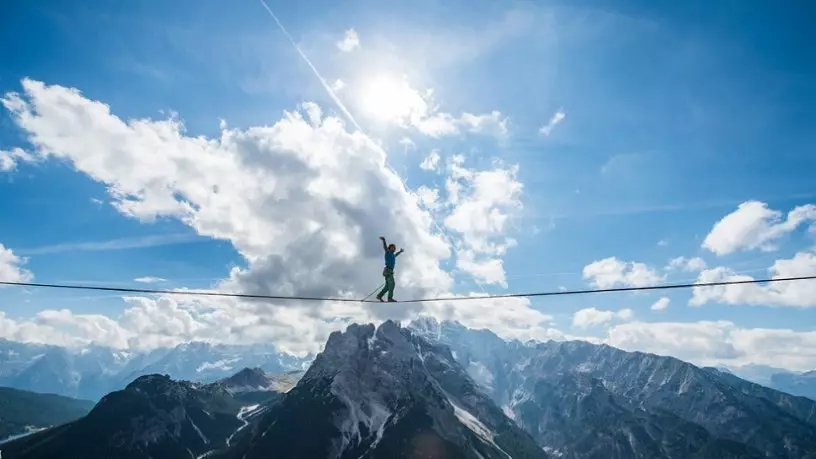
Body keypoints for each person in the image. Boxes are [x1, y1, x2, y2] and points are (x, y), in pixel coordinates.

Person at [376, 236, 404, 302]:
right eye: (392, 247)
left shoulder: (393, 255)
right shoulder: (388, 252)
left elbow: (396, 254)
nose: (394, 249)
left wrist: (400, 251)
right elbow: (385, 248)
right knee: (392, 284)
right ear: (390, 248)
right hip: (388, 271)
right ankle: (389, 298)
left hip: (388, 271)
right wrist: (384, 240)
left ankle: (379, 296)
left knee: (387, 286)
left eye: (394, 248)